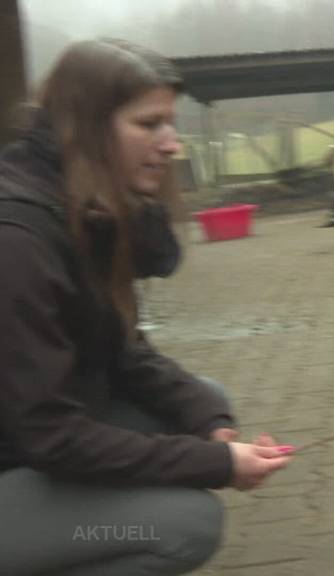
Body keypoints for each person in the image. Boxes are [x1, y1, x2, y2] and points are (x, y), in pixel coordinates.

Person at [0, 38, 293, 575]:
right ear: (84, 126)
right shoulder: (17, 239)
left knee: (205, 399)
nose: (171, 144)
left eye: (170, 123)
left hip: (23, 447)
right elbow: (49, 433)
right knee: (180, 524)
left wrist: (211, 427)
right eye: (148, 124)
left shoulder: (81, 210)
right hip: (25, 453)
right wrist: (214, 464)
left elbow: (125, 352)